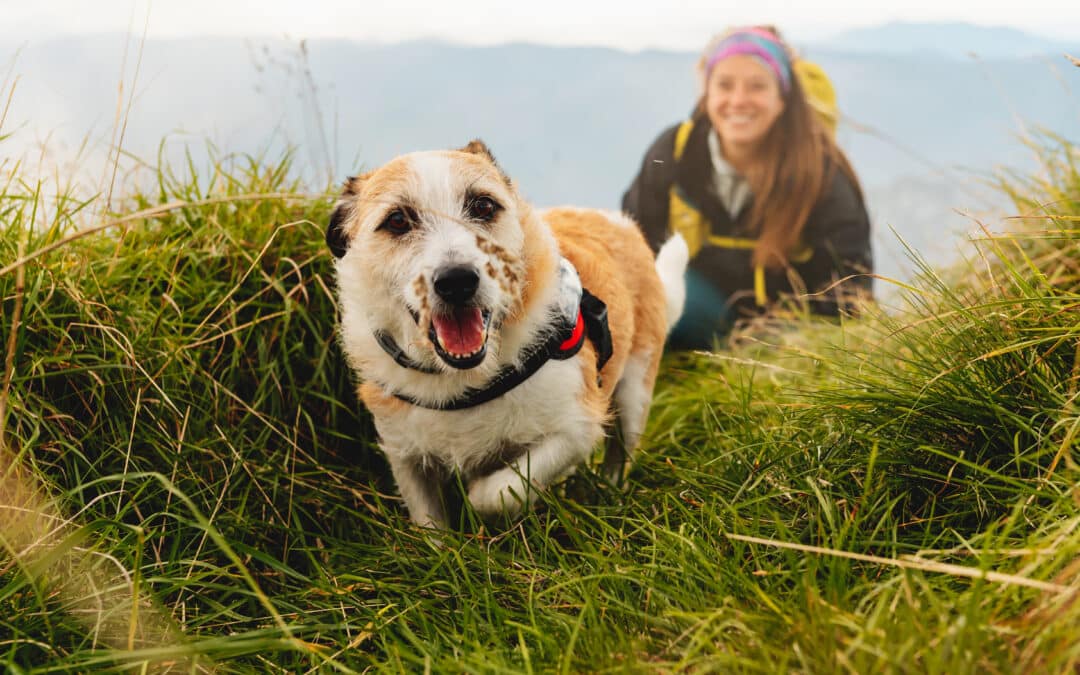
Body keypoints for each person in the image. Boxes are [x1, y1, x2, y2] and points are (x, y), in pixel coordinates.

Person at [622, 26, 873, 350]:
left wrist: (795, 349)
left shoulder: (822, 174)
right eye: (724, 85)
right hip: (699, 315)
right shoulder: (674, 152)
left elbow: (849, 292)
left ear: (783, 99)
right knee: (667, 292)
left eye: (757, 86)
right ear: (707, 93)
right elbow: (633, 249)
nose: (738, 101)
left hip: (791, 337)